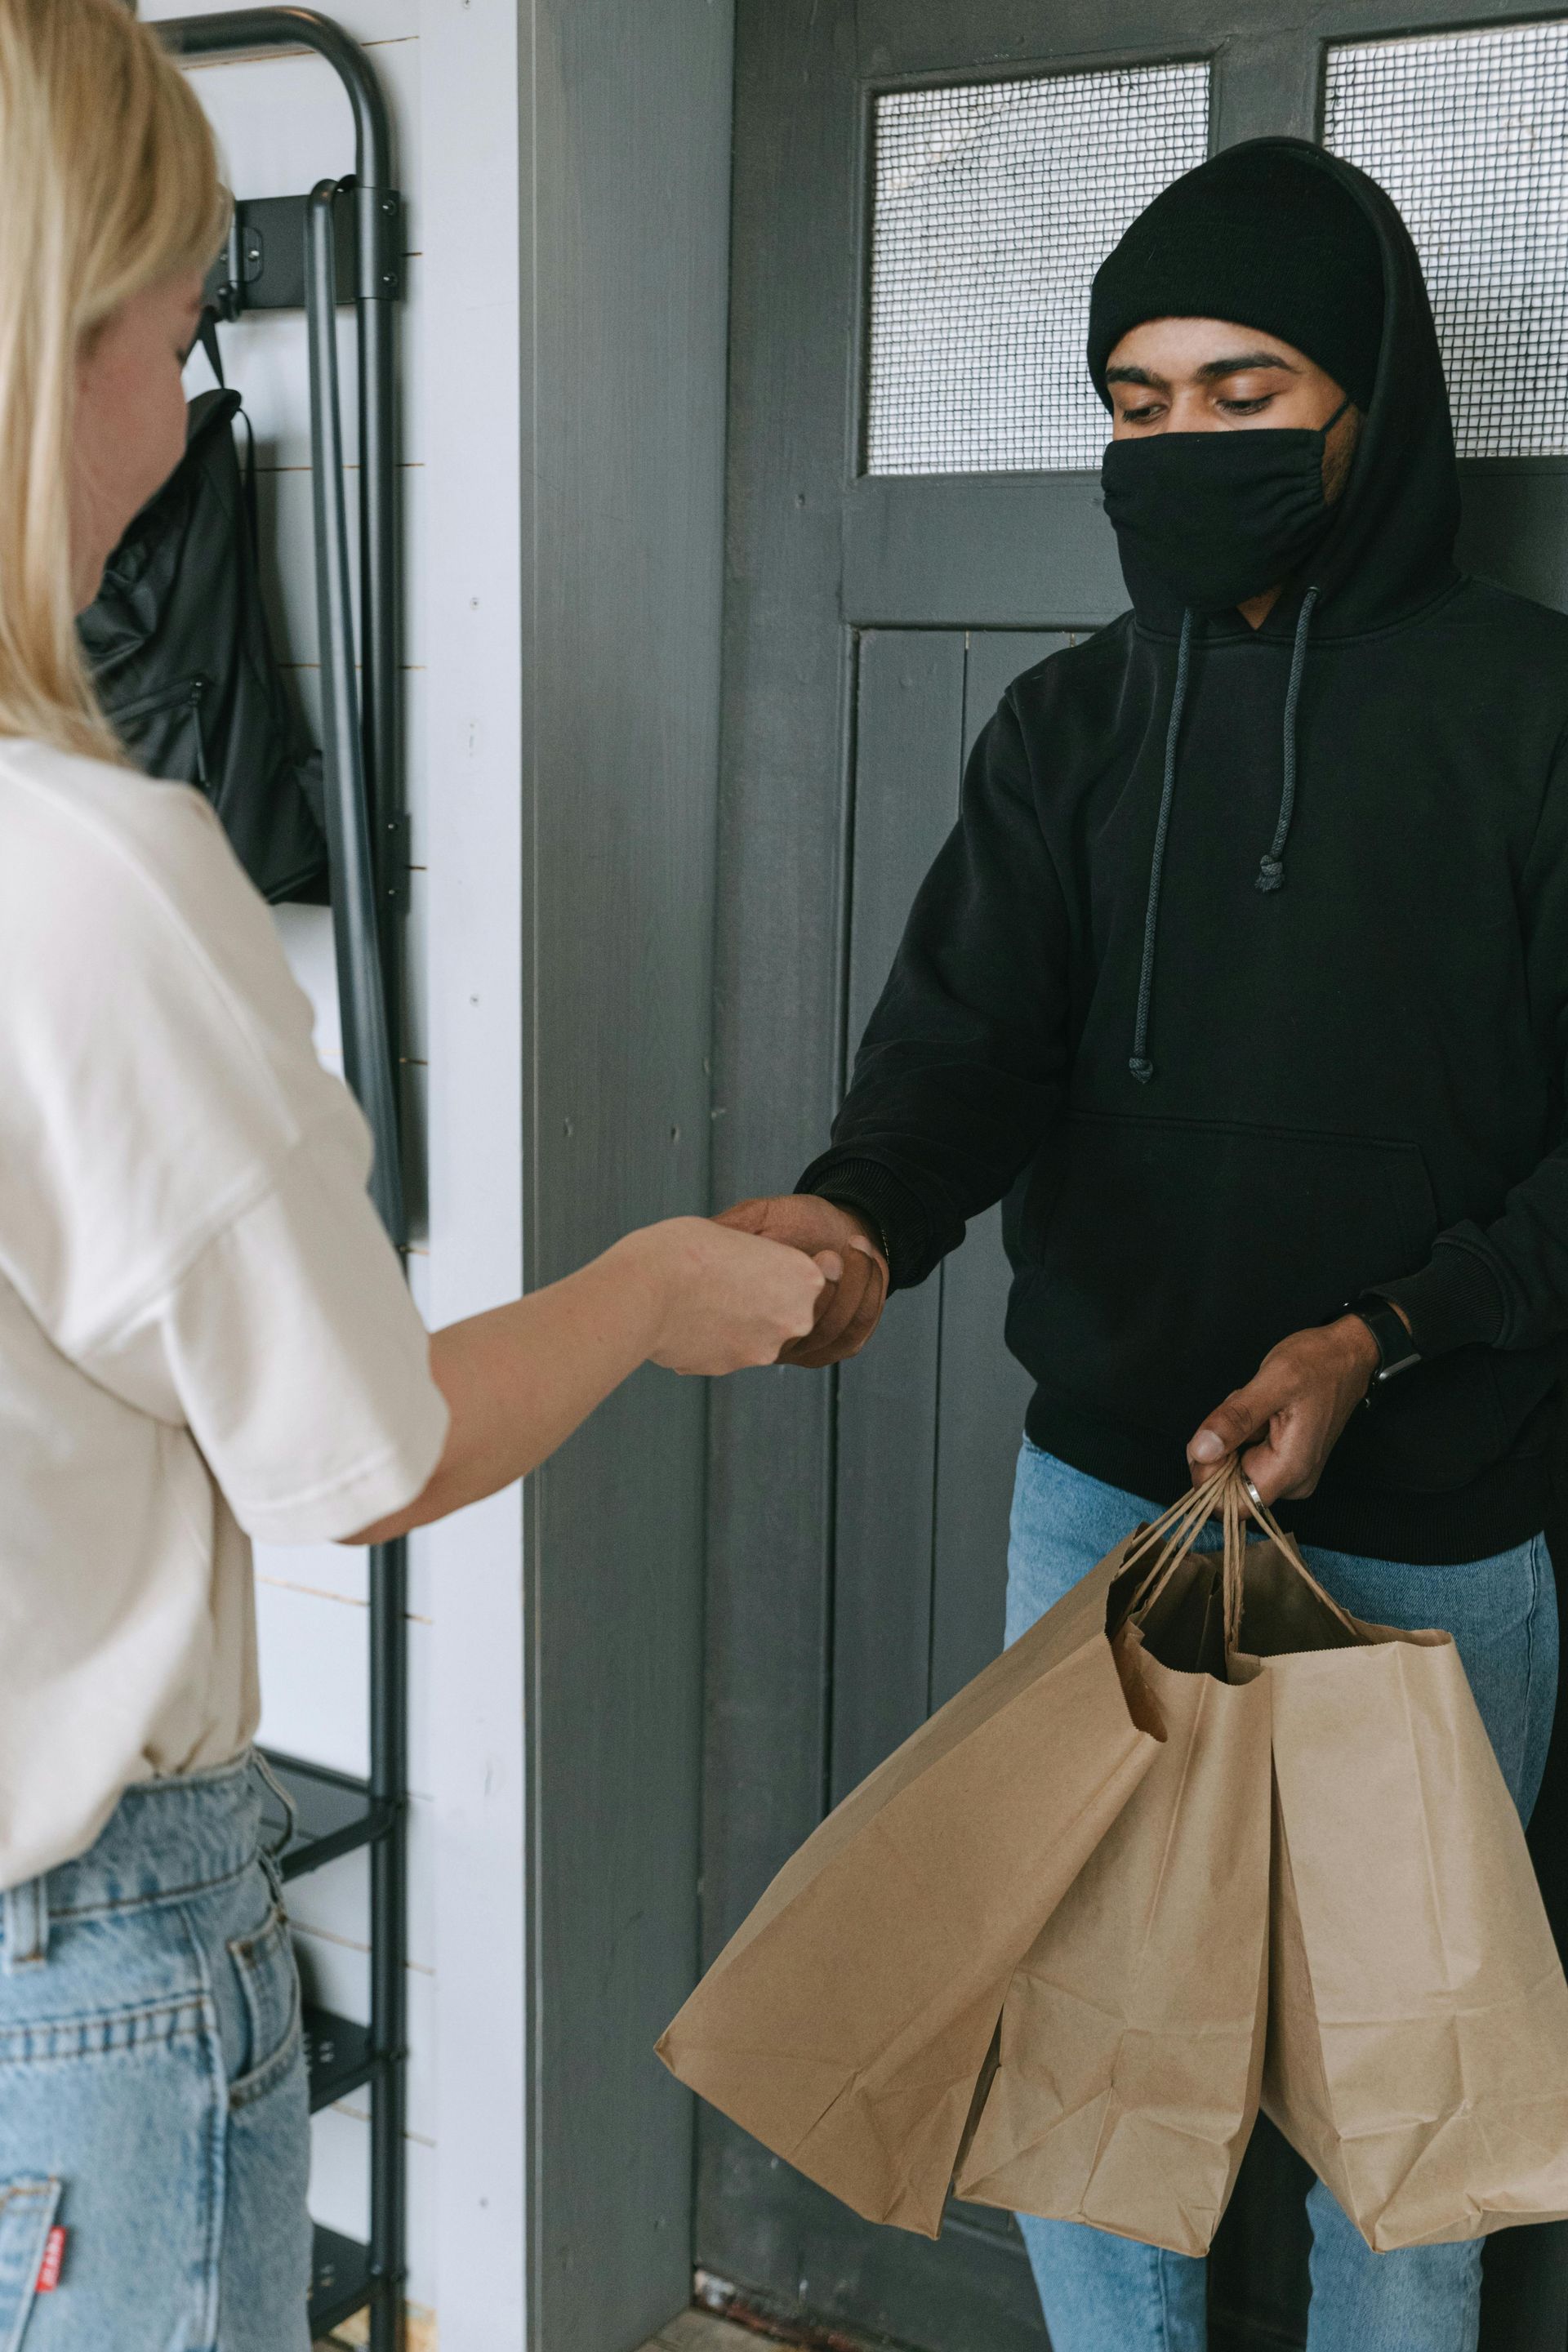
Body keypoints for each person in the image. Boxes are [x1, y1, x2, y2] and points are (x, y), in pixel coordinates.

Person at [0, 5, 837, 2346]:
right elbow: (355, 1451)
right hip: (69, 1983)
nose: (178, 428)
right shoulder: (80, 877)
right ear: (47, 355)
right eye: (171, 342)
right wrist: (655, 1288)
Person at [721, 137, 1568, 2352]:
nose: (1182, 444)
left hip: (1440, 1529)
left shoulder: (1536, 712)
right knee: (1100, 2091)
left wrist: (1391, 1333)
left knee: (1413, 2139)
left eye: (1246, 389)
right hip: (1115, 1513)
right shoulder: (1073, 725)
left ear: (1373, 404)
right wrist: (855, 1221)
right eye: (1137, 400)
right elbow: (960, 1059)